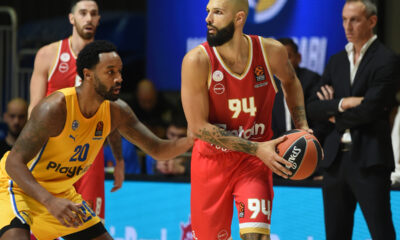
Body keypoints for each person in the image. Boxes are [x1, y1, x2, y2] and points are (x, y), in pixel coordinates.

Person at [0, 40, 193, 240]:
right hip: (17, 188)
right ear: (88, 75)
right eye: (110, 72)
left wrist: (191, 140)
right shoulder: (56, 108)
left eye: (120, 71)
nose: (119, 78)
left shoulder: (117, 111)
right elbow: (14, 163)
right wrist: (49, 201)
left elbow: (158, 149)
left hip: (59, 193)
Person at [181, 0, 310, 238]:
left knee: (257, 235)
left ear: (239, 18)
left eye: (217, 13)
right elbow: (198, 127)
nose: (208, 18)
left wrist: (302, 126)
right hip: (211, 164)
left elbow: (291, 81)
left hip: (253, 164)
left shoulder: (271, 51)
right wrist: (257, 148)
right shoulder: (196, 61)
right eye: (207, 12)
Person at [306, 0, 399, 239]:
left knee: (381, 232)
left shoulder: (387, 60)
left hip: (370, 159)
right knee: (335, 234)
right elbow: (313, 108)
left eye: (354, 20)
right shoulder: (336, 60)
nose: (347, 26)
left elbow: (371, 110)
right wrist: (344, 102)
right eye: (344, 19)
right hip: (336, 161)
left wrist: (334, 114)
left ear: (372, 21)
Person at [28, 0, 123, 221]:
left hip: (89, 155)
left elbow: (112, 113)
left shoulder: (107, 61)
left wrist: (118, 160)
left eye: (93, 14)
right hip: (52, 154)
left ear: (99, 20)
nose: (88, 18)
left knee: (89, 226)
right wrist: (29, 154)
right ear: (72, 18)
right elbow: (34, 109)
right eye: (83, 13)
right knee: (41, 226)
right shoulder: (48, 55)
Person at [271, 38, 321, 138]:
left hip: (308, 141)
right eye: (278, 57)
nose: (283, 62)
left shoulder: (312, 80)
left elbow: (320, 121)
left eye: (288, 56)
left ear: (298, 58)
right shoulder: (268, 85)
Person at [146, 109, 190, 176]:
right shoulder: (154, 154)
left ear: (189, 135)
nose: (175, 140)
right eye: (172, 134)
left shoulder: (196, 154)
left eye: (181, 136)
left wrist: (183, 169)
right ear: (166, 132)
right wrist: (156, 168)